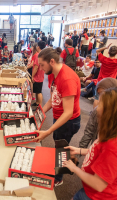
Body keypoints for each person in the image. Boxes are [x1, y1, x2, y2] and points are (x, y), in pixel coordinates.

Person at [64, 86, 117, 200]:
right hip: (96, 191)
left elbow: (98, 184)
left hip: (100, 196)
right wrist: (79, 150)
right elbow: (102, 154)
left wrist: (74, 169)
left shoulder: (114, 146)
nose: (97, 107)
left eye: (101, 103)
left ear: (112, 111)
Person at [33, 48, 81, 186]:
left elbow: (68, 112)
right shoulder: (54, 73)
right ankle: (60, 168)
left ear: (52, 61)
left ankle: (58, 178)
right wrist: (38, 114)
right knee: (58, 146)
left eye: (42, 65)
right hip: (60, 117)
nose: (40, 69)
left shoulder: (67, 79)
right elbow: (53, 99)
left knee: (61, 149)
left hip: (69, 121)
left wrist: (47, 132)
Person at [32, 41, 46, 107]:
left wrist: (32, 76)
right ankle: (37, 102)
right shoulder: (43, 54)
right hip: (40, 75)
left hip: (37, 76)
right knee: (37, 91)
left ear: (39, 47)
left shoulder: (38, 55)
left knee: (39, 92)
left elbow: (36, 67)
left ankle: (39, 106)